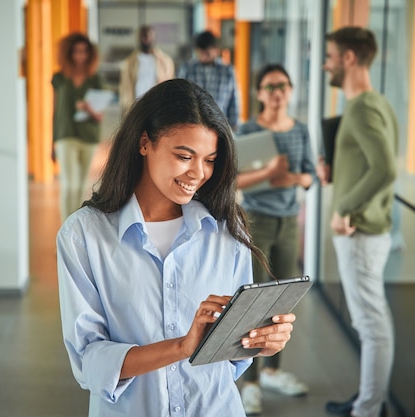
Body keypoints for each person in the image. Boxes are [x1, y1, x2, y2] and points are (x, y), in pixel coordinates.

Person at [56, 79, 297, 417]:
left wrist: (259, 341)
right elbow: (89, 362)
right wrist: (182, 347)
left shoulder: (227, 229)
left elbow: (229, 359)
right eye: (185, 156)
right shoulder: (84, 235)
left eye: (210, 159)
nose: (198, 173)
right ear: (144, 143)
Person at [320, 27, 397, 417]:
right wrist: (335, 171)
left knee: (371, 326)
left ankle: (368, 409)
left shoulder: (364, 106)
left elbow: (384, 169)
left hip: (361, 232)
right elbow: (367, 163)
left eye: (331, 56)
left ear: (349, 58)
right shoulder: (370, 103)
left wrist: (343, 206)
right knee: (372, 321)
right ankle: (369, 400)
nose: (326, 64)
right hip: (365, 230)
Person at [236, 63, 315, 414]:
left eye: (282, 85)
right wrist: (269, 173)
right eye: (269, 86)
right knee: (254, 302)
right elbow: (234, 181)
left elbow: (311, 176)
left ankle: (273, 371)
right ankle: (250, 381)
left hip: (288, 222)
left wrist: (291, 178)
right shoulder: (248, 130)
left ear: (290, 89)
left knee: (283, 302)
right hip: (256, 220)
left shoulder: (300, 130)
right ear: (259, 93)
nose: (277, 92)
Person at [52, 33, 104, 222]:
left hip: (89, 136)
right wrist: (52, 142)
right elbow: (55, 110)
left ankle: (75, 230)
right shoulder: (59, 78)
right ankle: (66, 231)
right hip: (65, 135)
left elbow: (99, 116)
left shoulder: (94, 79)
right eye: (76, 51)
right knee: (69, 185)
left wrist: (87, 107)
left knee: (81, 186)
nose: (80, 56)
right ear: (68, 53)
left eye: (84, 52)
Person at [177, 30, 239, 130]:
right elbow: (179, 98)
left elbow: (233, 99)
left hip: (220, 124)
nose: (204, 56)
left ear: (216, 50)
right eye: (201, 52)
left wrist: (234, 124)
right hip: (193, 124)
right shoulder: (187, 70)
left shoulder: (227, 71)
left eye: (207, 52)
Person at [118, 25, 174, 114]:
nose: (146, 39)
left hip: (157, 107)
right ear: (138, 38)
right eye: (143, 36)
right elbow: (125, 90)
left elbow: (169, 86)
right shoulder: (129, 63)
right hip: (136, 108)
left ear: (154, 37)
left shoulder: (165, 61)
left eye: (149, 35)